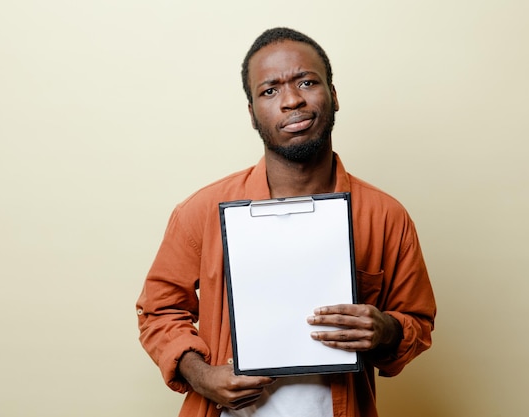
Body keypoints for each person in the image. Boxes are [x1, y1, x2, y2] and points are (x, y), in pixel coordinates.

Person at [136, 27, 436, 417]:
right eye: (270, 90)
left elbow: (417, 322)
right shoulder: (202, 210)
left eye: (307, 82)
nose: (292, 100)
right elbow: (158, 312)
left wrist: (386, 331)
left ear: (334, 95)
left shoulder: (385, 216)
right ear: (252, 113)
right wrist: (200, 374)